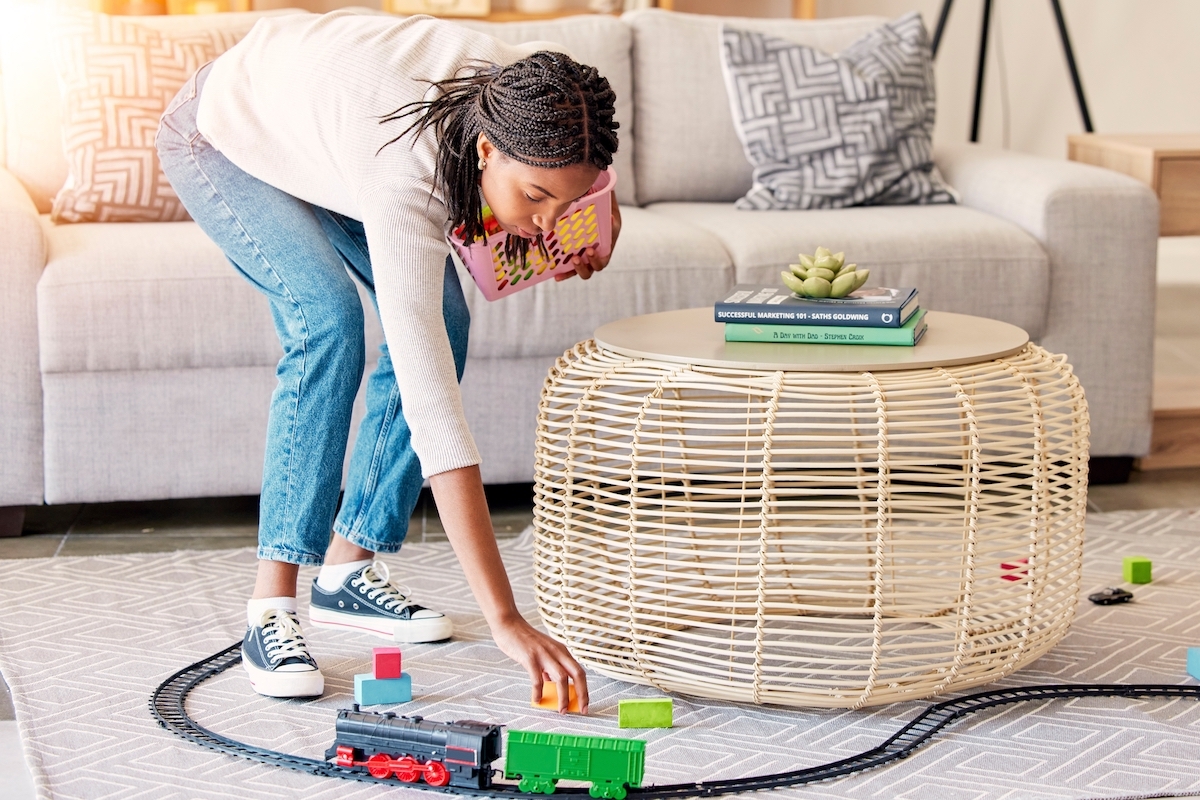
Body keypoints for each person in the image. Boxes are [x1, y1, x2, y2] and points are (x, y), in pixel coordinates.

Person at [155, 9, 621, 713]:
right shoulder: (406, 175)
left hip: (328, 129)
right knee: (328, 321)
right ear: (488, 150)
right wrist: (503, 616)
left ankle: (347, 569)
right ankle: (271, 606)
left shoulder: (545, 97)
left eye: (569, 199)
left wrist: (590, 227)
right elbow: (434, 414)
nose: (549, 217)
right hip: (224, 131)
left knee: (448, 318)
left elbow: (544, 192)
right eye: (537, 199)